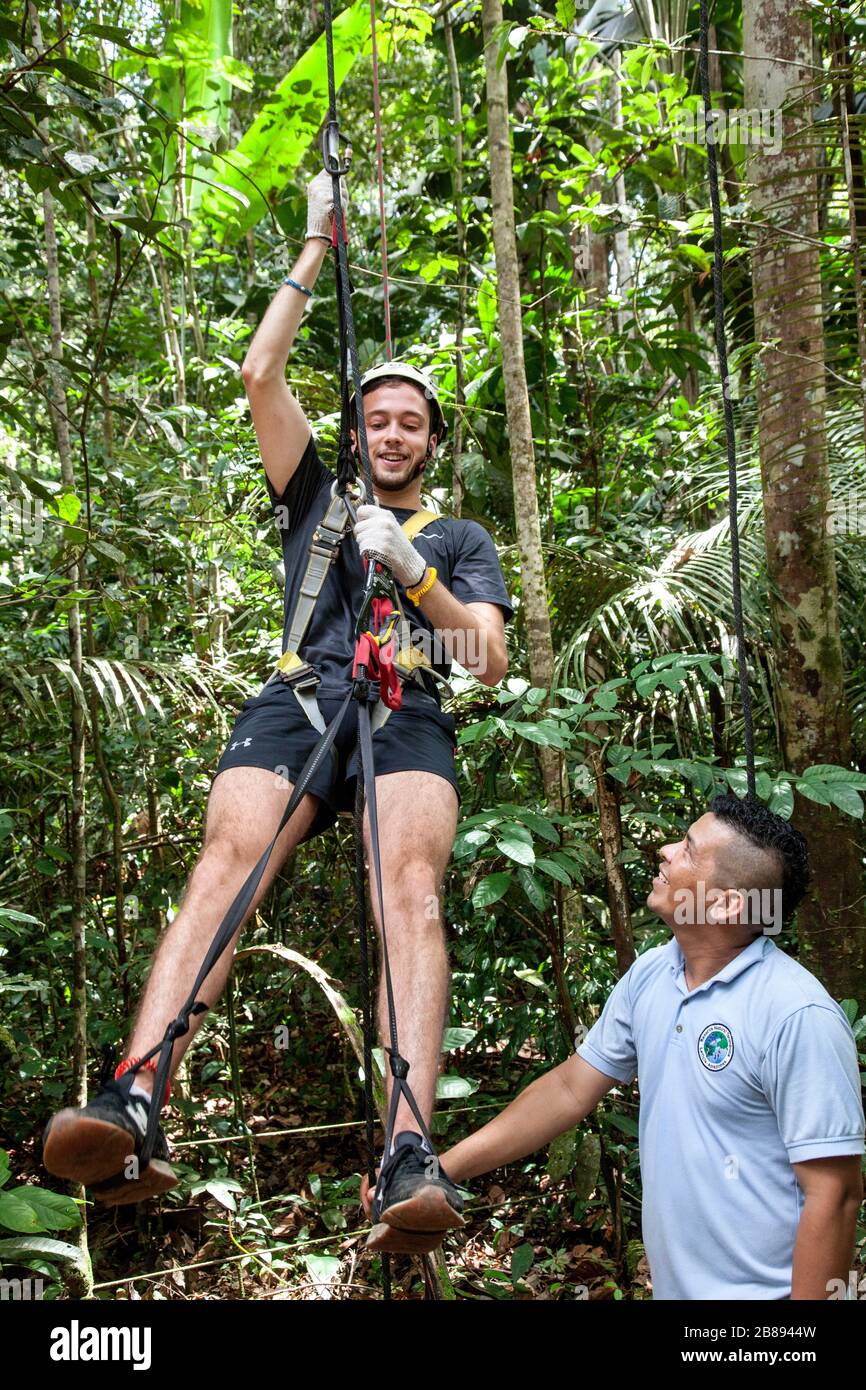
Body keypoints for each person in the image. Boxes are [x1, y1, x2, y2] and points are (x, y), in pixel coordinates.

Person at [42, 168, 514, 1254]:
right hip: (303, 698)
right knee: (225, 863)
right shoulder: (315, 495)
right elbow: (258, 370)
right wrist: (316, 242)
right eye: (376, 419)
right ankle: (136, 1098)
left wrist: (413, 574)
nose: (392, 434)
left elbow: (481, 657)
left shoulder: (456, 536)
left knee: (411, 889)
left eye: (411, 423)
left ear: (431, 441)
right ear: (354, 430)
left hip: (404, 706)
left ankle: (406, 1150)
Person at [370, 796, 865, 1297]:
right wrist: (431, 1172)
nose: (667, 852)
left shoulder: (796, 1014)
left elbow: (836, 1194)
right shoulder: (654, 972)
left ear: (728, 902)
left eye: (689, 850)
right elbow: (569, 1089)